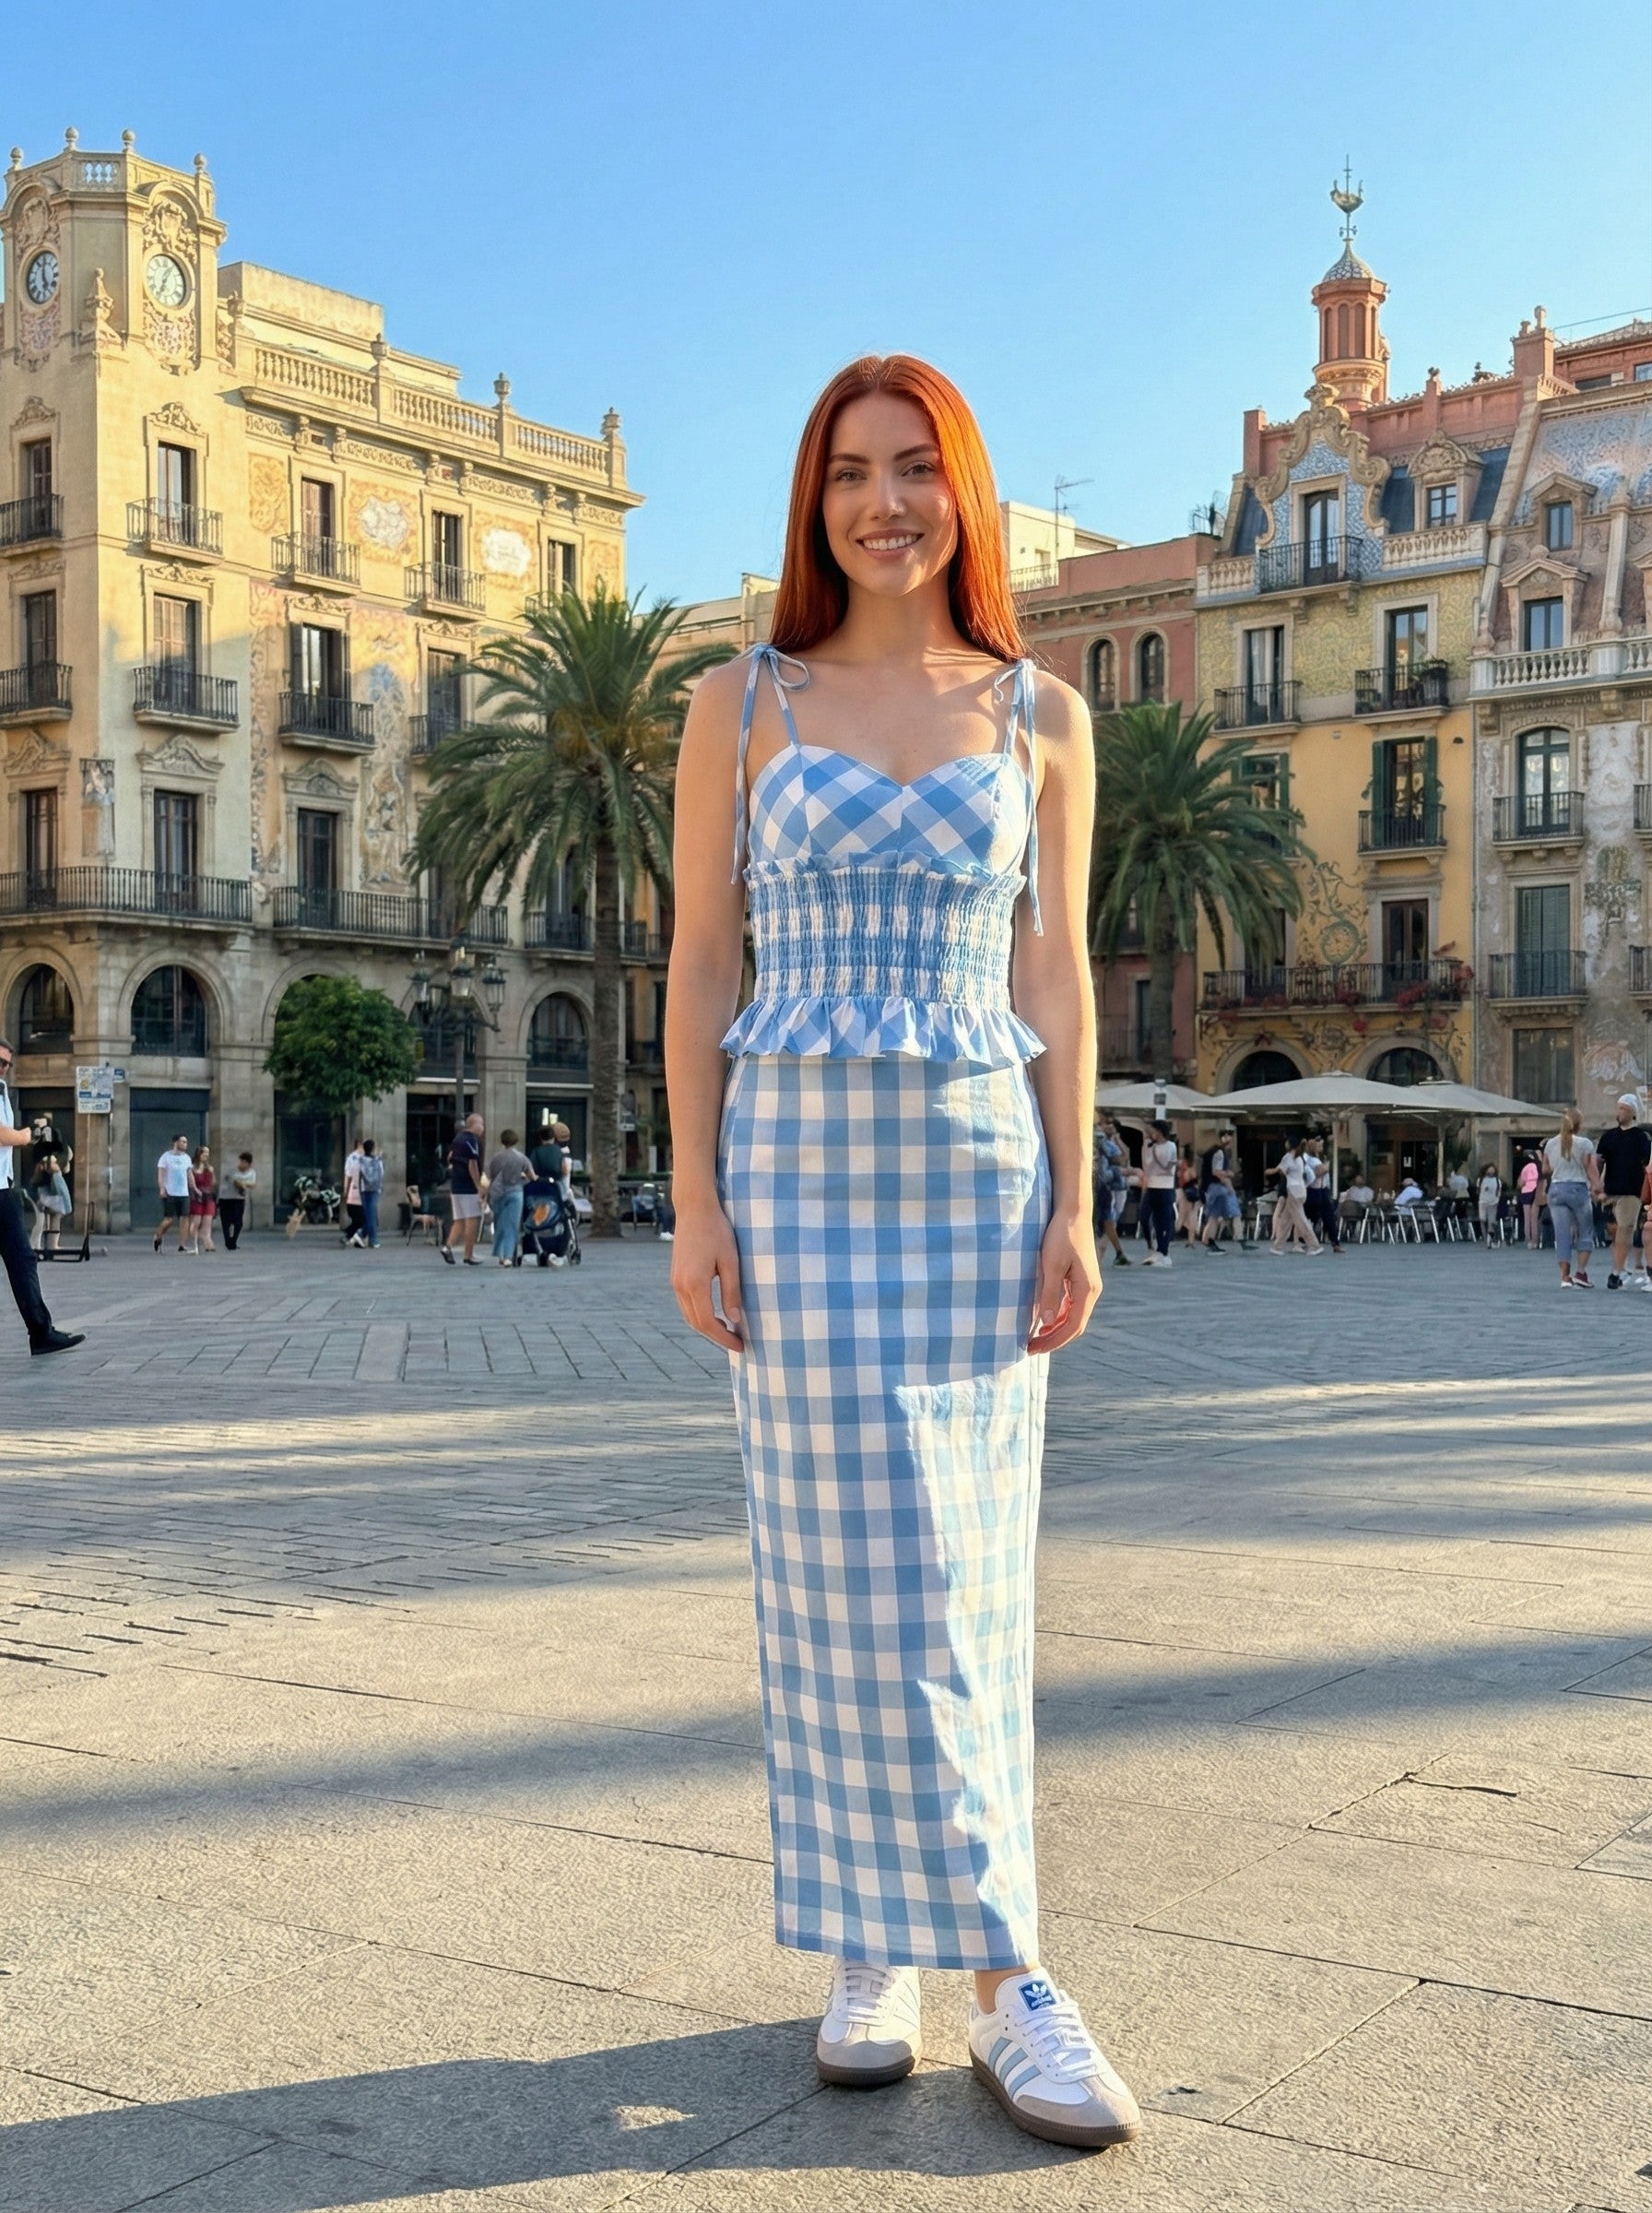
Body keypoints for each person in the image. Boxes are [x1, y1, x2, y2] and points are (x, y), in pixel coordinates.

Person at [666, 356, 1139, 2149]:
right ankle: (871, 1942)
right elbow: (703, 964)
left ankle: (1007, 1973)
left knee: (962, 1575)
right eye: (850, 472)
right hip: (787, 1169)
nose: (882, 502)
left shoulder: (1041, 714)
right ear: (812, 501)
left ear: (964, 494)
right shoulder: (741, 702)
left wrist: (1074, 1197)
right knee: (823, 1572)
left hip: (968, 1168)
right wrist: (695, 1199)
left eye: (913, 469)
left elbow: (1054, 973)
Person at [0, 1037, 81, 1355]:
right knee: (22, 1260)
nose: (3, 1068)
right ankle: (41, 1333)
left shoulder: (3, 1093)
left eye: (6, 1063)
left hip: (3, 1190)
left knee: (23, 1261)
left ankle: (41, 1333)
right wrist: (23, 1136)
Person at [1596, 1095, 1651, 1289]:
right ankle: (1622, 1268)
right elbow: (1599, 1160)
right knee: (1615, 1234)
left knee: (1625, 1229)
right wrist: (1597, 1185)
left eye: (1624, 1109)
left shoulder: (1640, 1138)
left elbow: (1647, 1165)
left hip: (1631, 1192)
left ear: (1633, 1112)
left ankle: (1616, 1273)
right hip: (1611, 1192)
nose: (1619, 1112)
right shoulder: (1608, 1136)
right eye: (1618, 1108)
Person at [1543, 1108, 1602, 1288]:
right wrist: (1598, 1186)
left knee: (1562, 1234)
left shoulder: (1551, 1144)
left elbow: (1545, 1169)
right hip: (1577, 1188)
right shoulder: (1584, 1143)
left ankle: (1564, 1277)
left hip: (1556, 1189)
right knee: (1585, 1231)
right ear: (1579, 1124)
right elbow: (1588, 1166)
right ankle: (1580, 1273)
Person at [442, 1112, 486, 1265]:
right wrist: (478, 1185)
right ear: (474, 1125)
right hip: (468, 1186)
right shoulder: (471, 1140)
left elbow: (450, 1157)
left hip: (456, 1184)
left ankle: (448, 1247)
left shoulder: (457, 1139)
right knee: (471, 1220)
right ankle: (468, 1255)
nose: (483, 1128)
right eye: (481, 1124)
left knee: (459, 1220)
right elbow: (472, 1164)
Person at [485, 1128, 531, 1266]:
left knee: (500, 1223)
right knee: (512, 1225)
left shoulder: (496, 1158)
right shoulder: (521, 1157)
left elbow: (489, 1176)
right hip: (515, 1192)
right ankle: (508, 1256)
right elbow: (531, 1175)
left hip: (497, 1193)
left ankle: (499, 1253)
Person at [1092, 1112, 1130, 1267]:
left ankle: (1113, 1252)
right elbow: (1121, 1159)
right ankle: (1114, 1253)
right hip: (1103, 1184)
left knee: (1095, 1220)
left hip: (1089, 1184)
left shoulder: (1083, 1135)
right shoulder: (1101, 1138)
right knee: (1107, 1220)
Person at [1268, 1139, 1319, 1254]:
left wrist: (1268, 1172)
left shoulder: (1288, 1157)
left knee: (1300, 1219)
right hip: (1301, 1189)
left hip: (1293, 1190)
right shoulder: (1301, 1158)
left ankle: (1314, 1245)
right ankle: (1277, 1246)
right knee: (1286, 1219)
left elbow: (1279, 1170)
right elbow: (1310, 1176)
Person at [1139, 1119, 1179, 1268]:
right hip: (1151, 1186)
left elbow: (1169, 1168)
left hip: (1165, 1187)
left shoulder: (1171, 1146)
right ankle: (1152, 1247)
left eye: (1153, 1131)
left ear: (1160, 1132)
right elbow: (1146, 1166)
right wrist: (1146, 1146)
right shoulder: (1149, 1146)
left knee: (1163, 1221)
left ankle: (1164, 1252)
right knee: (1144, 1217)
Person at [1198, 1126, 1242, 1252]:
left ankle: (1207, 1240)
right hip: (1217, 1188)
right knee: (1221, 1214)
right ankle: (1212, 1241)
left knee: (1214, 1216)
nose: (1229, 1139)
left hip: (1212, 1187)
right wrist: (1228, 1176)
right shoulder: (1220, 1153)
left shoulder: (1217, 1152)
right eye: (1228, 1136)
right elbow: (1216, 1171)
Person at [1303, 1136, 1341, 1255]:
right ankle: (1303, 1240)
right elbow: (1317, 1173)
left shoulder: (1320, 1158)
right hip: (1313, 1190)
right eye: (1319, 1146)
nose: (1321, 1148)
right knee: (1308, 1216)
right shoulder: (1309, 1159)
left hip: (1323, 1190)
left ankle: (1335, 1243)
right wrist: (1324, 1168)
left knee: (1329, 1216)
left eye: (1322, 1146)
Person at [154, 1134, 192, 1252]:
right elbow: (161, 1174)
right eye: (183, 1141)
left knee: (184, 1219)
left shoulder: (187, 1158)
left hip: (184, 1193)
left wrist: (194, 1187)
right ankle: (158, 1235)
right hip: (170, 1192)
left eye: (186, 1142)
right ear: (176, 1143)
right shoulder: (166, 1157)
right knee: (169, 1219)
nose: (185, 1144)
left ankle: (182, 1245)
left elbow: (189, 1174)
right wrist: (162, 1188)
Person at [30, 1153, 71, 1255]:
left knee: (44, 1223)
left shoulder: (51, 1174)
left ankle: (41, 1245)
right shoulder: (48, 1174)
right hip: (42, 1200)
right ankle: (38, 1245)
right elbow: (56, 1190)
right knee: (43, 1223)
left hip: (45, 1201)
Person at [185, 1145, 218, 1254]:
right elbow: (190, 1184)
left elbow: (213, 1183)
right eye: (204, 1152)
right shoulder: (192, 1169)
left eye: (208, 1153)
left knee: (207, 1223)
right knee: (195, 1223)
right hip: (197, 1198)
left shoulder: (210, 1169)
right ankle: (198, 1244)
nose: (206, 1155)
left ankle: (207, 1241)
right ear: (199, 1154)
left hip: (208, 1198)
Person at [220, 1153, 255, 1249]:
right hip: (226, 1198)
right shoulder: (232, 1171)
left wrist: (244, 1184)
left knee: (238, 1222)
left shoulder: (251, 1173)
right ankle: (228, 1241)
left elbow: (253, 1184)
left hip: (239, 1199)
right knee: (226, 1221)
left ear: (249, 1164)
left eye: (244, 1162)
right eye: (241, 1161)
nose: (241, 1164)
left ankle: (233, 1240)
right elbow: (231, 1182)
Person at [359, 1138, 384, 1249]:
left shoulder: (361, 1160)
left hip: (364, 1189)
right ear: (373, 1149)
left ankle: (362, 1233)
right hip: (375, 1189)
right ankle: (373, 1239)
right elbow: (382, 1173)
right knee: (371, 1214)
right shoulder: (378, 1161)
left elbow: (359, 1175)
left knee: (367, 1212)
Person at [342, 1137, 368, 1248]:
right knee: (361, 1218)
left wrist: (345, 1189)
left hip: (353, 1191)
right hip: (361, 1192)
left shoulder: (351, 1157)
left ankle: (354, 1236)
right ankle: (351, 1234)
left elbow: (347, 1175)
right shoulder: (363, 1158)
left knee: (357, 1217)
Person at [1517, 1152, 1541, 1248]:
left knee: (1527, 1218)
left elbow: (1521, 1183)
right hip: (1536, 1191)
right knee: (1534, 1218)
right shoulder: (1539, 1167)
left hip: (1526, 1192)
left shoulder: (1526, 1168)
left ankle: (1528, 1240)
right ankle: (1535, 1240)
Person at [1476, 1162, 1502, 1244]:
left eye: (1492, 1169)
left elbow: (1499, 1191)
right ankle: (1485, 1236)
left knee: (1491, 1221)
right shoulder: (1480, 1180)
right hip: (1483, 1201)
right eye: (1489, 1169)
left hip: (1493, 1202)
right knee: (1482, 1219)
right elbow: (1478, 1190)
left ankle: (1490, 1238)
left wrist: (1497, 1198)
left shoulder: (1497, 1180)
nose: (1491, 1171)